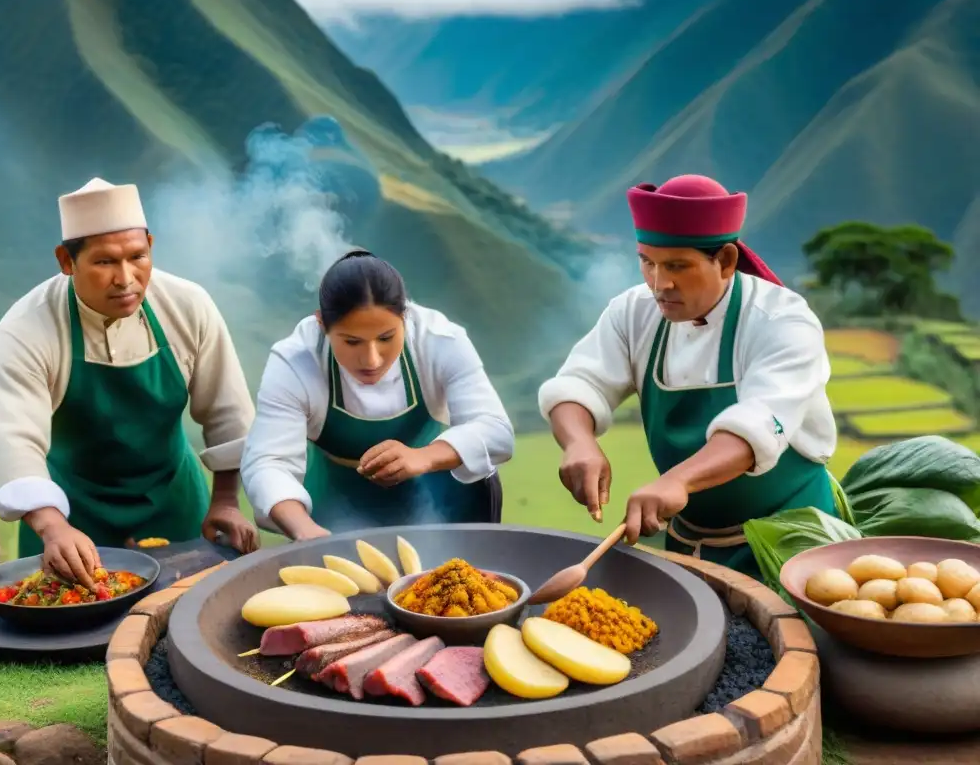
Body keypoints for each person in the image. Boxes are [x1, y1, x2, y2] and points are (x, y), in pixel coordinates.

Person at [538, 174, 838, 578]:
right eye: (647, 262)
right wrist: (578, 443)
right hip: (689, 543)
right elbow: (579, 383)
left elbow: (759, 425)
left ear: (727, 261)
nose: (660, 284)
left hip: (795, 542)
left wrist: (677, 480)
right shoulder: (634, 312)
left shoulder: (782, 321)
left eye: (678, 266)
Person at [0, 178, 260, 588]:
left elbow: (228, 413)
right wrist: (52, 527)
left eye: (138, 256)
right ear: (66, 260)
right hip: (70, 517)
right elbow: (16, 442)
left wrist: (225, 500)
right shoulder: (26, 330)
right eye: (104, 262)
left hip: (175, 503)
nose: (126, 278)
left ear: (151, 244)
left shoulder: (188, 305)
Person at [241, 248, 514, 539]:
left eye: (386, 338)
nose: (372, 360)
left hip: (441, 491)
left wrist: (423, 457)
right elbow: (268, 462)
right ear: (322, 324)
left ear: (405, 317)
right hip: (337, 500)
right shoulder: (294, 360)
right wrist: (305, 531)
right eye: (352, 341)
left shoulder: (440, 340)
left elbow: (496, 430)